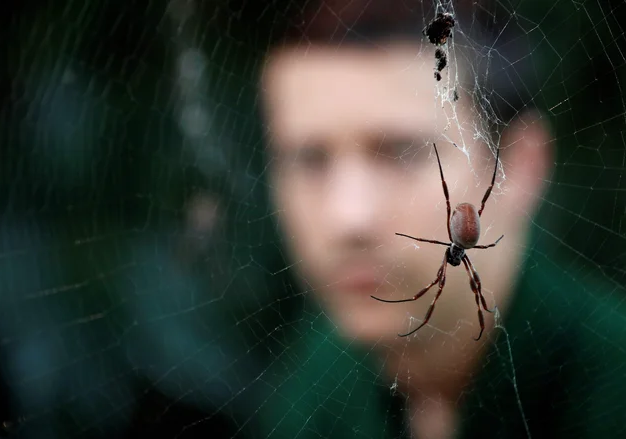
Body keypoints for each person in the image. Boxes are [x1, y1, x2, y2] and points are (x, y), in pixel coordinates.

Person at [251, 1, 626, 438]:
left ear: (519, 165)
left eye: (402, 151)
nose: (349, 217)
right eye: (310, 158)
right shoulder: (315, 384)